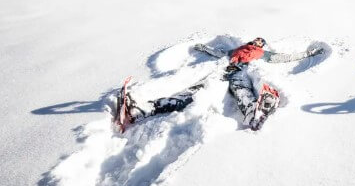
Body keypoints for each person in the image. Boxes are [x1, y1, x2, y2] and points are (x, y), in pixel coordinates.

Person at [115, 37, 323, 131]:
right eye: (256, 41)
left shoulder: (262, 54)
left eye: (260, 42)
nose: (257, 43)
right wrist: (203, 47)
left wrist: (306, 54)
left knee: (241, 88)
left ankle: (252, 110)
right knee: (194, 93)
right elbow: (218, 53)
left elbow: (282, 58)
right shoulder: (236, 50)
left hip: (240, 72)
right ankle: (144, 109)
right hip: (221, 72)